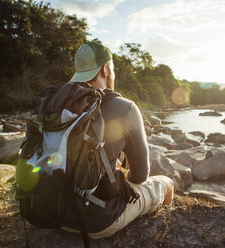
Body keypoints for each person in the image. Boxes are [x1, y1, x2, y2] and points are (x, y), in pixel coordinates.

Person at [62, 41, 174, 239]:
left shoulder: (58, 103)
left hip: (51, 212)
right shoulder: (125, 107)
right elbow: (139, 176)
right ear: (105, 69)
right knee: (167, 182)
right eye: (112, 68)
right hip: (96, 221)